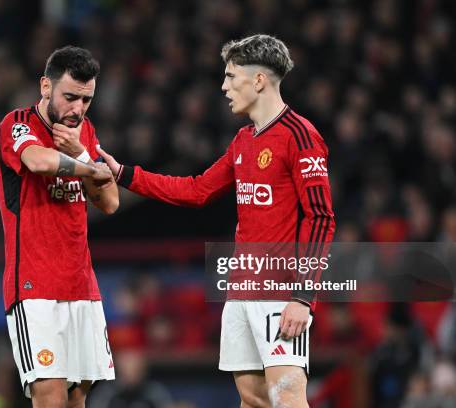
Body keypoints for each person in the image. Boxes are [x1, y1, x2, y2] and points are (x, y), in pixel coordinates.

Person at [98, 34, 335, 407]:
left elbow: (321, 219)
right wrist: (125, 174)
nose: (223, 87)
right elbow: (196, 190)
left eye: (230, 76)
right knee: (253, 399)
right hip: (240, 289)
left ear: (258, 80)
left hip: (280, 290)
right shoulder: (243, 141)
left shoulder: (301, 136)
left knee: (288, 398)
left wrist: (303, 297)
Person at [0, 46, 118, 408]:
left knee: (77, 399)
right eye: (70, 97)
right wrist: (90, 166)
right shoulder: (16, 124)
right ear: (46, 86)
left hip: (82, 285)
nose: (77, 109)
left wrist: (83, 154)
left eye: (86, 100)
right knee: (50, 398)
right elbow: (37, 160)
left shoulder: (84, 132)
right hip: (34, 287)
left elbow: (110, 202)